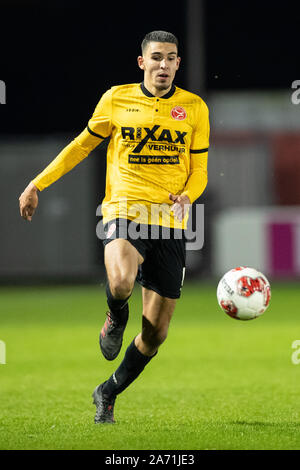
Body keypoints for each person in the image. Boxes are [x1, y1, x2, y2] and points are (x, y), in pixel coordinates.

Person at [19, 30, 210, 424]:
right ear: (142, 62)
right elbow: (80, 146)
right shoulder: (116, 98)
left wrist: (189, 195)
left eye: (171, 58)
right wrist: (37, 183)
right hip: (123, 209)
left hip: (170, 223)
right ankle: (115, 315)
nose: (163, 64)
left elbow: (200, 170)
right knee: (121, 282)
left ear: (178, 64)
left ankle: (107, 391)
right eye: (156, 57)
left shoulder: (194, 108)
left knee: (156, 335)